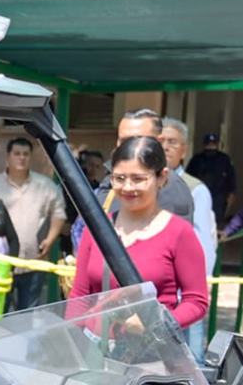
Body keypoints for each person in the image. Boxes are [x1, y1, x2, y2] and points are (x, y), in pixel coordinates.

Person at [71, 136, 207, 330]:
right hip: (94, 352)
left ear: (162, 177)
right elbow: (79, 296)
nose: (127, 187)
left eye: (138, 179)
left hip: (152, 354)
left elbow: (196, 301)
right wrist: (73, 344)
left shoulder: (179, 233)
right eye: (119, 178)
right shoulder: (97, 229)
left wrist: (157, 324)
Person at [70, 109, 194, 250]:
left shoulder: (168, 186)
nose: (128, 147)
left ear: (159, 142)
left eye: (136, 140)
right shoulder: (112, 177)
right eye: (123, 140)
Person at [162, 118, 216, 362]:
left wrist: (200, 285)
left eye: (172, 142)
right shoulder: (143, 186)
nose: (165, 147)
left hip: (186, 294)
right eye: (160, 141)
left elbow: (204, 243)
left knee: (191, 361)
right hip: (157, 292)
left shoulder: (196, 189)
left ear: (184, 150)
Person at [0, 137, 65, 311]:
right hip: (1, 262)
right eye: (17, 153)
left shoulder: (45, 185)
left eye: (26, 154)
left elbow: (58, 213)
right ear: (8, 156)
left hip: (34, 260)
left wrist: (50, 238)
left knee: (27, 315)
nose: (21, 158)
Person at [188, 132, 236, 226]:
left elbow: (231, 179)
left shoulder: (224, 159)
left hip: (218, 198)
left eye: (213, 144)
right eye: (209, 144)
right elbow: (188, 178)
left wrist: (231, 195)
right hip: (199, 196)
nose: (211, 146)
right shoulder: (197, 159)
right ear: (204, 144)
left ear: (217, 144)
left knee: (216, 224)